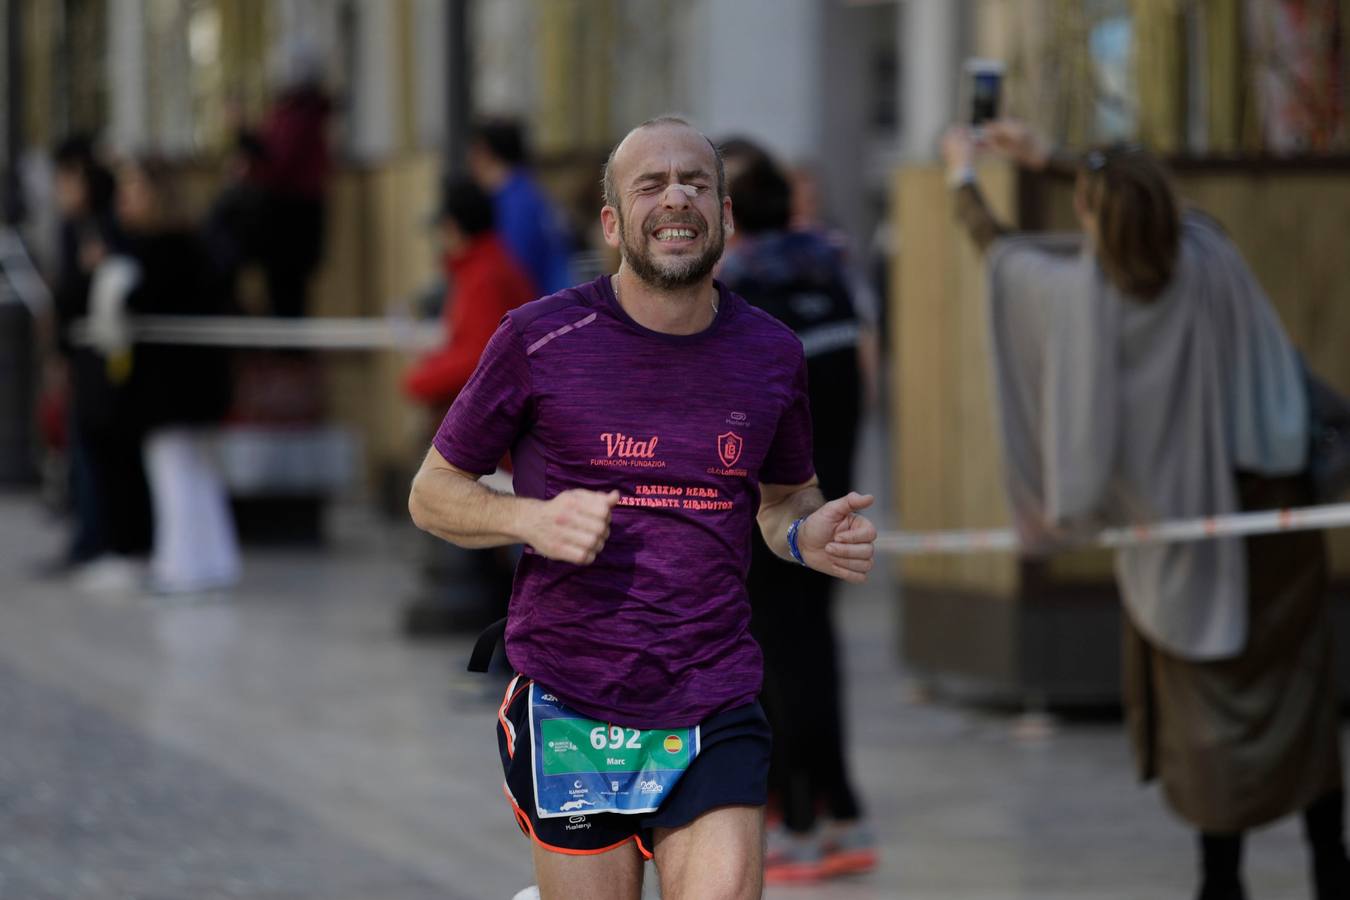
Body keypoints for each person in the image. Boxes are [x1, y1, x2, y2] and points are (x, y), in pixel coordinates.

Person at [409, 116, 878, 900]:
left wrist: (803, 531)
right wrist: (530, 519)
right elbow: (432, 492)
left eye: (697, 182)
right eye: (650, 184)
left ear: (725, 216)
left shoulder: (770, 354)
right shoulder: (540, 338)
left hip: (714, 691)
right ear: (612, 221)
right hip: (572, 693)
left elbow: (782, 498)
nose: (676, 198)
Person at [942, 120, 1349, 900]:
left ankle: (1219, 882)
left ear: (1092, 216)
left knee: (1207, 721)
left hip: (1185, 540)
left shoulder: (1074, 295)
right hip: (1273, 515)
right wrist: (1056, 157)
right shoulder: (1209, 252)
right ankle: (1333, 864)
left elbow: (999, 252)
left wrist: (965, 175)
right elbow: (1163, 204)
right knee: (1302, 700)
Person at [719, 148, 876, 883]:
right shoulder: (834, 273)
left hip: (773, 510)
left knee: (780, 661)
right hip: (837, 497)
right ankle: (840, 809)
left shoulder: (744, 295)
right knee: (815, 651)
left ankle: (807, 822)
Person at [400, 177, 536, 636]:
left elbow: (479, 358)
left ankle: (512, 652)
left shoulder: (484, 274)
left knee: (513, 550)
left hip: (508, 440)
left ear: (454, 226)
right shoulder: (488, 267)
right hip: (511, 434)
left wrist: (417, 379)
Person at [115, 157, 239, 594]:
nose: (123, 200)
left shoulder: (159, 250)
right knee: (199, 472)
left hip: (170, 388)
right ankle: (214, 561)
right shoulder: (196, 244)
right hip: (199, 383)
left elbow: (140, 305)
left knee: (174, 472)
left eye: (132, 190)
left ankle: (182, 565)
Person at [466, 117, 573, 296]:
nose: (470, 162)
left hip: (540, 307)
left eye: (474, 153)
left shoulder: (515, 204)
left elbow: (514, 271)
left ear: (486, 154)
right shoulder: (530, 191)